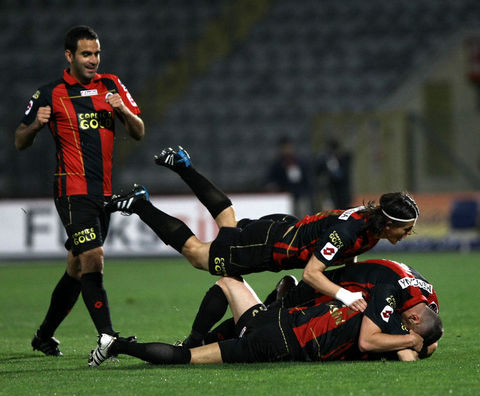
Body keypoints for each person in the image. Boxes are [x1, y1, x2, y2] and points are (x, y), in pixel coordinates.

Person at [106, 146, 419, 313]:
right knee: (199, 255)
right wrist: (345, 296)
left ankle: (183, 166)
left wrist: (344, 278)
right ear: (391, 222)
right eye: (406, 229)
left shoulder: (372, 227)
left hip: (282, 231)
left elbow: (343, 252)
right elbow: (311, 274)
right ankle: (139, 203)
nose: (407, 235)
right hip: (268, 247)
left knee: (227, 220)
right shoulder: (354, 230)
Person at [14, 25, 145, 359]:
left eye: (97, 53)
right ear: (69, 56)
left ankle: (44, 336)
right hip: (71, 190)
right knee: (93, 258)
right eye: (86, 54)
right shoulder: (49, 93)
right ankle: (108, 337)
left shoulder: (111, 85)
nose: (93, 60)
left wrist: (123, 111)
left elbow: (139, 131)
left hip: (102, 192)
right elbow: (19, 140)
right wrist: (35, 125)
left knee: (76, 267)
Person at [88, 272, 442, 366]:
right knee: (186, 359)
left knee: (228, 283)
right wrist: (415, 341)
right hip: (277, 340)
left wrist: (418, 339)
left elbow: (417, 344)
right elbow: (411, 353)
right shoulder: (394, 330)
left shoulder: (383, 310)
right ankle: (117, 345)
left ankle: (195, 336)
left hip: (276, 321)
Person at [177, 258, 440, 351]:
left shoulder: (422, 300)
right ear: (414, 318)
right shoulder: (391, 293)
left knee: (258, 321)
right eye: (408, 326)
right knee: (258, 323)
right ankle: (198, 341)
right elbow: (373, 340)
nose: (404, 327)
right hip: (319, 290)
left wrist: (418, 342)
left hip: (339, 289)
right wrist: (410, 343)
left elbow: (432, 336)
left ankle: (201, 343)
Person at [265, 136, 313, 217]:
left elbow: (306, 178)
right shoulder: (278, 165)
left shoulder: (300, 162)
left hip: (301, 195)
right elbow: (271, 179)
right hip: (286, 196)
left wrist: (307, 191)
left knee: (303, 215)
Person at [316, 138, 352, 209]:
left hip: (343, 193)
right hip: (332, 193)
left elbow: (340, 176)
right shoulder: (327, 160)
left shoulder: (344, 159)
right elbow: (318, 171)